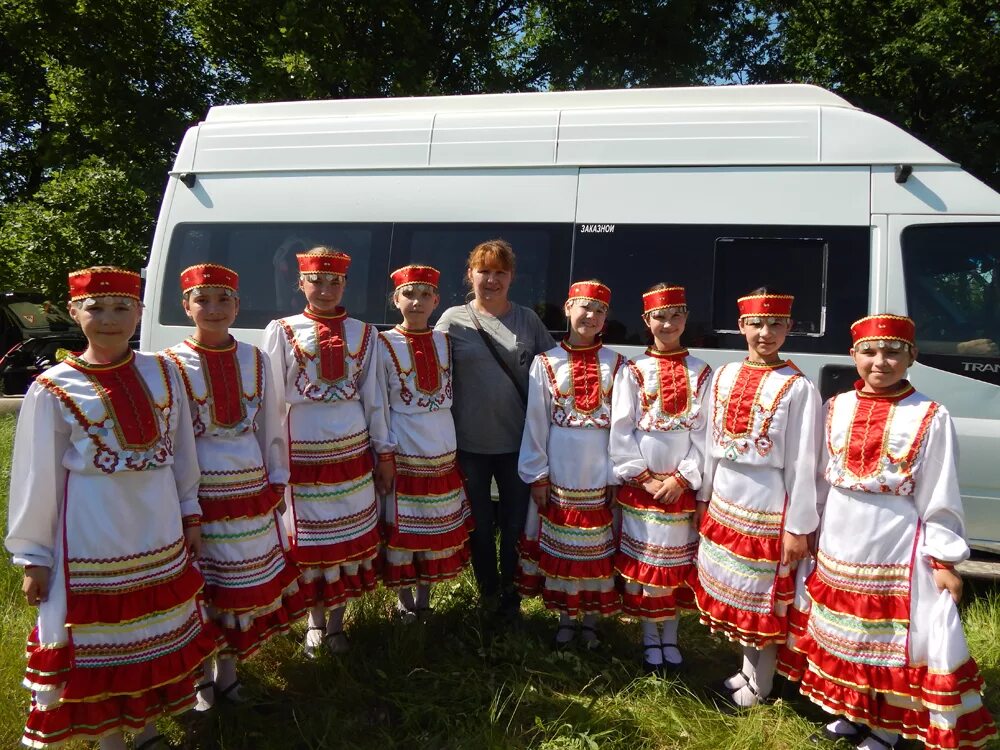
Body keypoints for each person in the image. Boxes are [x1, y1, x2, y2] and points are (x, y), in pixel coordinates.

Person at [5, 267, 219, 750]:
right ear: (75, 312)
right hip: (95, 533)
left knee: (150, 633)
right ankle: (108, 741)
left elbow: (183, 450)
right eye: (95, 308)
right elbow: (35, 478)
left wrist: (190, 511)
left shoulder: (163, 372)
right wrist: (33, 555)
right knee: (104, 639)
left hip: (158, 526)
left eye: (122, 307)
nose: (109, 319)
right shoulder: (54, 387)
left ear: (140, 313)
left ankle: (144, 730)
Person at [777, 314, 997, 750]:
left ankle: (886, 727)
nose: (881, 361)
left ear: (911, 356)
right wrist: (808, 525)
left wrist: (945, 557)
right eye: (870, 352)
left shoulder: (930, 415)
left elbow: (940, 492)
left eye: (894, 352)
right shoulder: (836, 406)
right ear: (853, 355)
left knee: (887, 637)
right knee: (846, 630)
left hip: (893, 542)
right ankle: (853, 710)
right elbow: (818, 476)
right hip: (840, 536)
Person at [163, 264, 305, 710]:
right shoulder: (168, 364)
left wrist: (277, 476)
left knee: (237, 583)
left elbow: (271, 423)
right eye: (202, 300)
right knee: (204, 584)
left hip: (247, 485)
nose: (214, 309)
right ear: (186, 307)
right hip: (199, 488)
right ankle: (200, 680)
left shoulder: (255, 359)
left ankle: (228, 672)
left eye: (224, 299)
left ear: (237, 306)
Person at [262, 247, 393, 658]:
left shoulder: (364, 333)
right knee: (312, 541)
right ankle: (314, 623)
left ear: (345, 285)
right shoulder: (282, 330)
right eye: (316, 280)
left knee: (349, 539)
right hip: (303, 448)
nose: (325, 289)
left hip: (352, 448)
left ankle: (337, 623)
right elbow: (272, 401)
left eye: (334, 281)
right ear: (300, 283)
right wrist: (271, 458)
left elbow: (375, 397)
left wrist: (383, 450)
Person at [694, 288, 820, 707]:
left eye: (775, 324)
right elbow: (710, 440)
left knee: (763, 595)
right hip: (727, 497)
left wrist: (799, 525)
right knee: (736, 589)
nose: (765, 333)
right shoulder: (724, 374)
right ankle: (745, 671)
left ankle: (760, 685)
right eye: (756, 324)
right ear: (742, 326)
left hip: (766, 502)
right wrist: (704, 496)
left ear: (789, 328)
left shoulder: (798, 387)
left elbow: (805, 462)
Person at [435, 239, 554, 623]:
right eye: (484, 271)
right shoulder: (452, 320)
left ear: (512, 277)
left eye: (500, 272)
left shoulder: (527, 320)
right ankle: (487, 593)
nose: (491, 279)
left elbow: (555, 373)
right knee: (480, 528)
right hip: (468, 445)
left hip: (518, 446)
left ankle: (511, 597)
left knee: (515, 526)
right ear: (470, 274)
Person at [517, 280, 625, 648]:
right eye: (584, 307)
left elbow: (623, 428)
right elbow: (536, 422)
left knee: (595, 548)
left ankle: (591, 619)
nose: (590, 316)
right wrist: (537, 474)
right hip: (561, 468)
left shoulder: (618, 364)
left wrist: (616, 474)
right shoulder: (545, 362)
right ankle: (566, 617)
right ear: (567, 309)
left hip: (599, 469)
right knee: (564, 545)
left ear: (605, 318)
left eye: (598, 310)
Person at [610, 284, 710, 671]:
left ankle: (672, 635)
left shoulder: (701, 371)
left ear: (685, 319)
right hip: (644, 487)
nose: (668, 323)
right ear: (646, 321)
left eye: (675, 316)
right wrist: (645, 478)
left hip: (680, 486)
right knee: (649, 561)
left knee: (675, 565)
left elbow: (705, 433)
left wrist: (683, 479)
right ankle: (650, 635)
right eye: (660, 317)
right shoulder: (633, 370)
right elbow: (621, 430)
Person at [377, 265, 473, 620]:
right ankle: (403, 604)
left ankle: (425, 600)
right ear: (396, 299)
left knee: (433, 527)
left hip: (441, 447)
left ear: (436, 301)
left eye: (424, 295)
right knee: (406, 529)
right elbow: (377, 401)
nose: (416, 302)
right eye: (408, 294)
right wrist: (384, 451)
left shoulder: (444, 341)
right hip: (404, 446)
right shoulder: (382, 343)